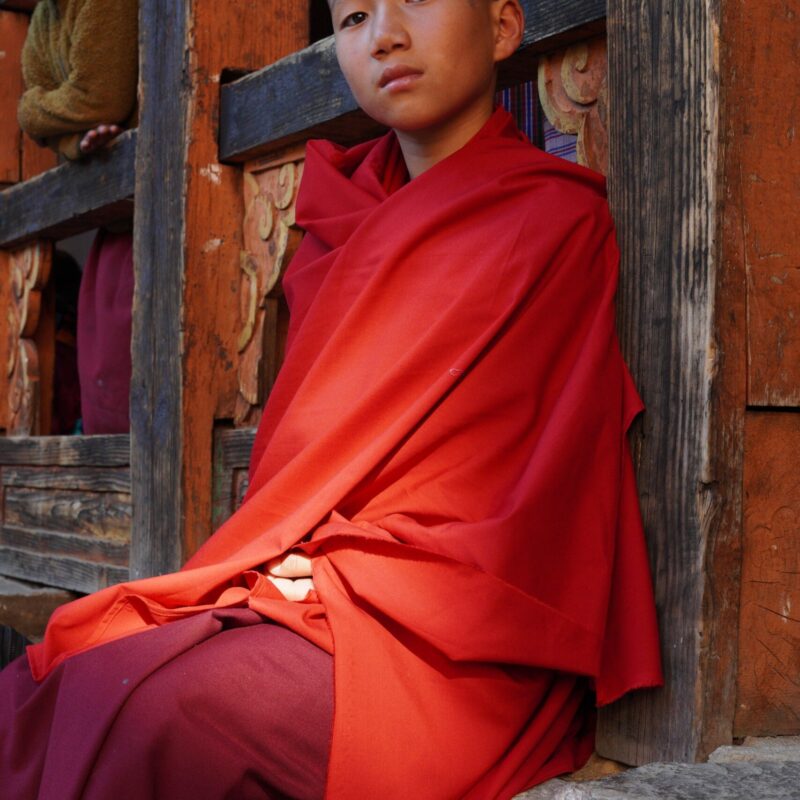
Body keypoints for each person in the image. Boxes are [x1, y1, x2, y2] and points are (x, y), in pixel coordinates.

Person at [0, 1, 663, 798]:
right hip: (311, 577)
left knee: (165, 713)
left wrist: (343, 572)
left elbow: (531, 493)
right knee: (72, 680)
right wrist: (297, 564)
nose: (381, 34)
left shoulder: (554, 221)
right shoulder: (336, 221)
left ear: (502, 26)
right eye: (352, 17)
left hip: (455, 632)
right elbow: (310, 461)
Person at [18, 0, 138, 434]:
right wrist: (72, 141)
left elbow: (101, 98)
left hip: (151, 215)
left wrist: (37, 111)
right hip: (114, 222)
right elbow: (35, 116)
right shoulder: (44, 18)